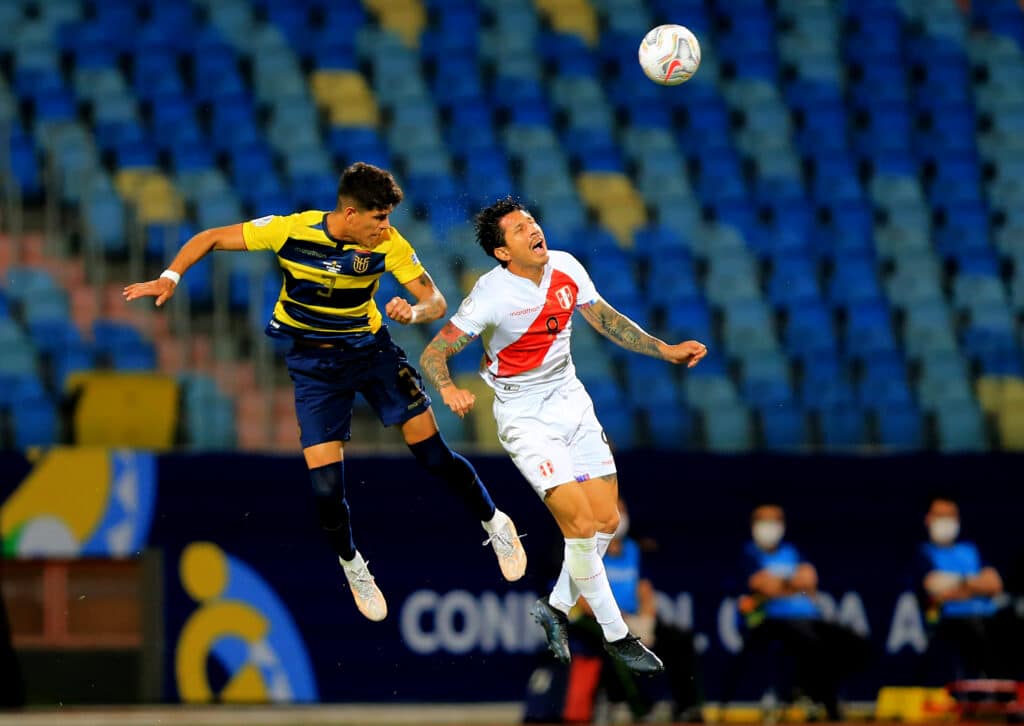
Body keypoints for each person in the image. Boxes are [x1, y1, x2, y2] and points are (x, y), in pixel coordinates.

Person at [123, 162, 526, 622]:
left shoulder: (390, 245)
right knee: (326, 489)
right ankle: (353, 565)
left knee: (433, 455)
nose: (386, 228)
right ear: (350, 214)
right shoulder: (290, 231)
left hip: (372, 354)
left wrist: (413, 313)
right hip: (315, 366)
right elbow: (210, 237)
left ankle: (496, 522)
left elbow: (434, 300)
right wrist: (170, 276)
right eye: (379, 219)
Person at [417, 196, 707, 674]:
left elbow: (607, 319)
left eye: (532, 220)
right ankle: (620, 636)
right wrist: (447, 388)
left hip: (572, 401)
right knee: (579, 527)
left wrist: (665, 350)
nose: (533, 229)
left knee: (606, 521)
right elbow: (433, 354)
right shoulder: (492, 294)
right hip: (524, 416)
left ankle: (553, 606)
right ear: (502, 252)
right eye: (518, 228)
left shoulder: (567, 266)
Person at [729, 503, 868, 721]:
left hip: (809, 618)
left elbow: (810, 580)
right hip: (771, 621)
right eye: (763, 521)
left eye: (774, 521)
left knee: (855, 644)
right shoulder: (748, 553)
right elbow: (764, 585)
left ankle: (807, 690)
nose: (769, 527)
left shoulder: (792, 551)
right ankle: (828, 705)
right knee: (813, 644)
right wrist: (793, 583)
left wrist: (780, 584)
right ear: (753, 525)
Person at [569, 498, 703, 722]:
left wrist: (647, 620)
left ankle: (687, 706)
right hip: (600, 620)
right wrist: (618, 619)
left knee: (679, 640)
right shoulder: (586, 550)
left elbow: (644, 589)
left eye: (621, 510)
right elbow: (583, 599)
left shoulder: (633, 549)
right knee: (619, 645)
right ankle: (636, 706)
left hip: (634, 619)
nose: (617, 517)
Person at [917, 494, 1015, 683]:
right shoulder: (924, 554)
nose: (946, 522)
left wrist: (959, 583)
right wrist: (976, 585)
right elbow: (934, 588)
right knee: (971, 633)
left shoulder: (970, 550)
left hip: (990, 620)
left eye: (950, 516)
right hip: (951, 623)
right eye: (940, 516)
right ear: (928, 519)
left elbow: (995, 584)